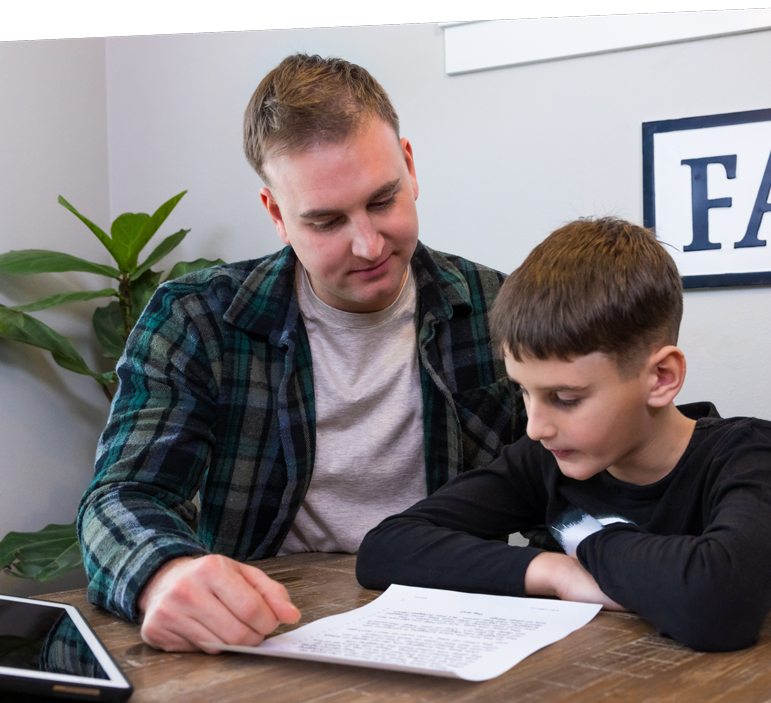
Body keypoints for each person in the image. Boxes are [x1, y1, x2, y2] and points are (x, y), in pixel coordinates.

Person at [77, 54, 525, 653]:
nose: (368, 245)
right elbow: (122, 496)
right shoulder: (196, 320)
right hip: (270, 630)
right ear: (277, 215)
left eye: (383, 200)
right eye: (326, 221)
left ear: (410, 168)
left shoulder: (502, 308)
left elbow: (577, 484)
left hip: (460, 624)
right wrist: (164, 573)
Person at [357, 217, 771, 653]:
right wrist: (554, 571)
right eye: (525, 393)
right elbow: (386, 547)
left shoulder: (754, 455)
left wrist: (587, 547)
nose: (536, 426)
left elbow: (718, 605)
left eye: (566, 398)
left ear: (661, 378)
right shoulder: (545, 460)